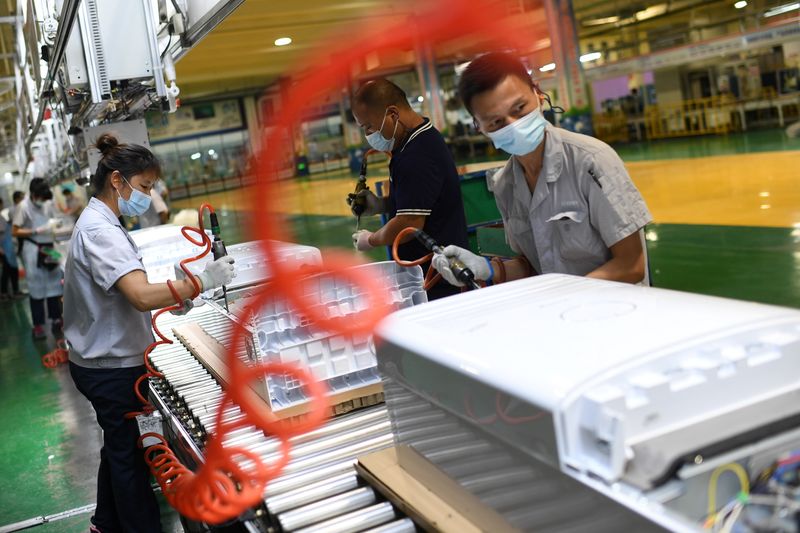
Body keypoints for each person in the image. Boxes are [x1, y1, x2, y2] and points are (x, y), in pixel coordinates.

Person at [62, 133, 235, 533]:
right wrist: (201, 282)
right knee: (130, 456)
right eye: (143, 187)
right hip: (111, 368)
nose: (148, 195)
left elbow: (124, 293)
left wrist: (176, 292)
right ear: (117, 181)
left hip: (99, 358)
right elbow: (139, 296)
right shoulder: (100, 231)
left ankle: (105, 522)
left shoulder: (102, 221)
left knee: (117, 444)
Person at [433, 52, 652, 288]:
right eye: (496, 122)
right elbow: (535, 266)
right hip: (560, 315)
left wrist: (567, 295)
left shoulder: (591, 161)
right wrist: (487, 268)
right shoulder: (505, 185)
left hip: (616, 311)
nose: (513, 125)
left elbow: (632, 265)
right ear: (479, 126)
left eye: (519, 108)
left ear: (537, 93)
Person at [348, 79, 469, 300]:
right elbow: (422, 199)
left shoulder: (416, 155)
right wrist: (381, 204)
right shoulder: (416, 141)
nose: (368, 136)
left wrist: (371, 239)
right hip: (430, 270)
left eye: (368, 127)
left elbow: (409, 224)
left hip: (438, 276)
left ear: (392, 114)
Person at [12, 178, 64, 338]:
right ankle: (38, 325)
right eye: (40, 198)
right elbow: (15, 231)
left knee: (55, 283)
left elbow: (51, 219)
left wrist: (55, 225)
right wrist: (36, 231)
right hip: (33, 247)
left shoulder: (47, 203)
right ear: (33, 195)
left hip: (49, 247)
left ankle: (56, 319)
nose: (43, 201)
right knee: (36, 287)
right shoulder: (23, 207)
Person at [0, 198, 21, 300]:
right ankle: (4, 293)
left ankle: (14, 291)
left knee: (12, 270)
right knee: (7, 271)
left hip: (8, 247)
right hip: (4, 249)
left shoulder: (1, 217)